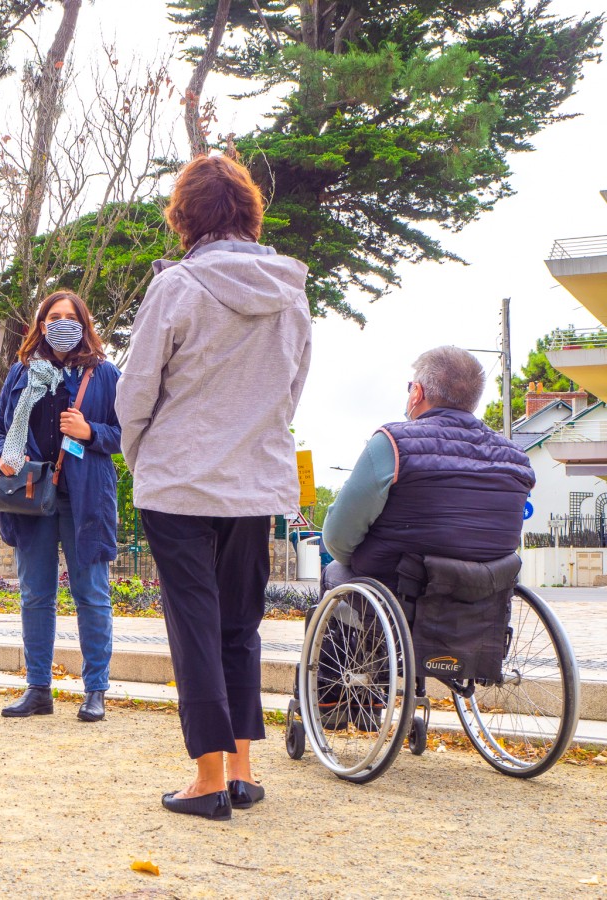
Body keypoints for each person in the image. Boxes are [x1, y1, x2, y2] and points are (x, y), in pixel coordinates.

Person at [116, 154, 311, 821]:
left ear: (186, 216)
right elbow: (292, 386)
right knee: (239, 625)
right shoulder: (290, 292)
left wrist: (139, 453)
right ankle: (242, 770)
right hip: (254, 482)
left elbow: (137, 387)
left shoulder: (177, 287)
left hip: (179, 482)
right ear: (250, 212)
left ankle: (205, 779)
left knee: (193, 625)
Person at [0, 291, 122, 723]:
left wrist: (90, 431)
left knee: (92, 595)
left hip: (85, 500)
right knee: (35, 595)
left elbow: (127, 435)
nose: (62, 323)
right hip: (30, 496)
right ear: (41, 324)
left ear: (83, 323)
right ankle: (38, 689)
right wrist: (1, 457)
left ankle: (96, 690)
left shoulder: (104, 375)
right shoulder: (21, 373)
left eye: (71, 316)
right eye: (53, 316)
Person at [322, 347, 534, 592]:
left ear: (417, 392)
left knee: (334, 573)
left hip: (400, 595)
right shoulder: (517, 459)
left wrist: (361, 560)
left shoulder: (392, 443)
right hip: (483, 600)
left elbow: (338, 537)